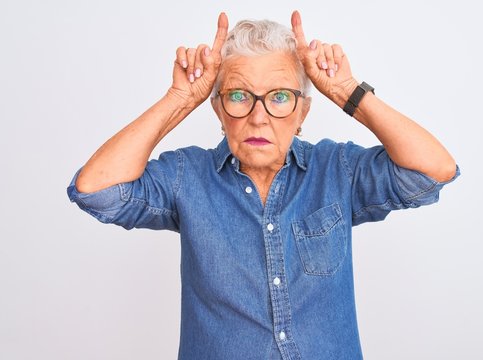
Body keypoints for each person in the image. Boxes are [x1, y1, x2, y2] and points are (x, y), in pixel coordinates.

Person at [67, 10, 459, 360]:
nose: (259, 117)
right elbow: (96, 189)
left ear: (303, 110)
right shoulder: (187, 176)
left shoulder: (337, 169)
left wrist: (345, 90)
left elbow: (434, 169)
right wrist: (180, 98)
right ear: (218, 109)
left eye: (280, 97)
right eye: (238, 96)